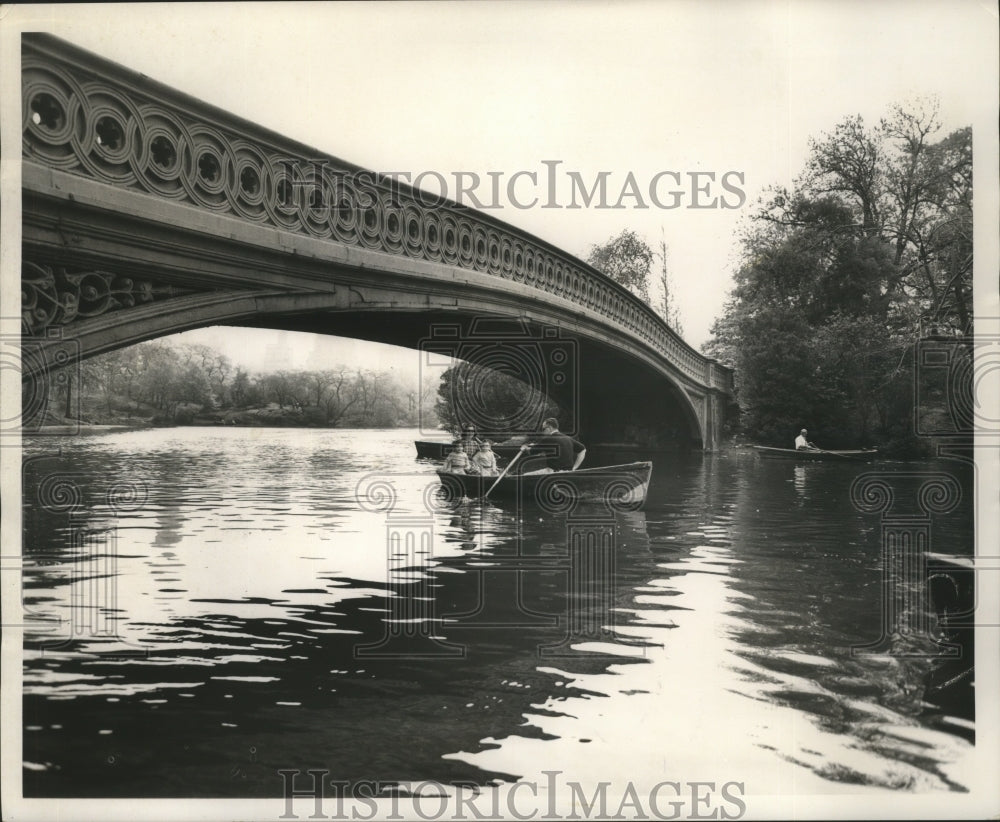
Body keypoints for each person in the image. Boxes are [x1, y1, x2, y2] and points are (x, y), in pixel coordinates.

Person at [519, 417, 586, 474]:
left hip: (553, 472)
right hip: (568, 472)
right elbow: (583, 449)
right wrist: (574, 467)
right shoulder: (568, 438)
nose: (543, 432)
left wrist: (525, 447)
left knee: (525, 475)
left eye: (543, 429)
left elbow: (531, 452)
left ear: (550, 428)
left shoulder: (548, 439)